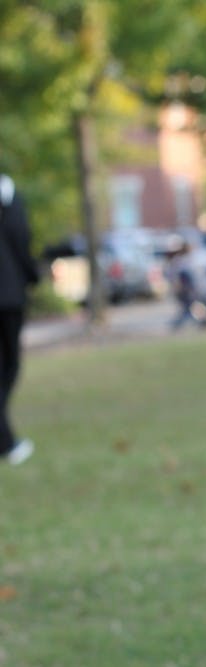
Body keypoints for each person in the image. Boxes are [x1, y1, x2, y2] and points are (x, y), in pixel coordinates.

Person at [0, 173, 39, 465]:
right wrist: (32, 275)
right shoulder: (8, 195)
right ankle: (6, 442)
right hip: (7, 297)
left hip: (9, 294)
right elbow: (20, 238)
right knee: (8, 367)